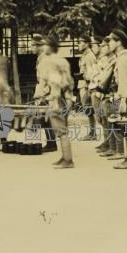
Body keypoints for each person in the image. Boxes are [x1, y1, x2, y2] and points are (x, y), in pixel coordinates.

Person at [39, 35, 75, 168]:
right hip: (66, 98)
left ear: (50, 47)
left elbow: (55, 82)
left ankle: (68, 160)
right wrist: (69, 97)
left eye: (45, 45)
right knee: (62, 129)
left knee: (61, 130)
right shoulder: (63, 61)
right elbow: (70, 82)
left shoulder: (51, 62)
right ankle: (65, 157)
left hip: (57, 98)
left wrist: (53, 100)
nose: (43, 47)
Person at [108, 29, 127, 169]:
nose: (109, 43)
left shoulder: (122, 59)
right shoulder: (121, 57)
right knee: (126, 126)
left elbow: (124, 81)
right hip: (122, 95)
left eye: (111, 41)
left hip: (124, 96)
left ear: (118, 42)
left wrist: (122, 101)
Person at [31, 33, 57, 152]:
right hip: (43, 89)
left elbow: (47, 77)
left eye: (33, 46)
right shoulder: (40, 58)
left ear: (39, 46)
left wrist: (43, 92)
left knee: (46, 117)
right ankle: (51, 142)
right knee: (44, 116)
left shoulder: (44, 59)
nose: (31, 48)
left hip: (46, 90)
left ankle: (52, 144)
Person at [76, 35, 98, 140]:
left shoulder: (89, 56)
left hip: (86, 85)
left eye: (81, 42)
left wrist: (89, 85)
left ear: (87, 43)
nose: (79, 44)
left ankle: (93, 134)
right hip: (83, 84)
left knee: (90, 110)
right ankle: (92, 133)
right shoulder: (84, 55)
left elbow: (92, 72)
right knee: (88, 110)